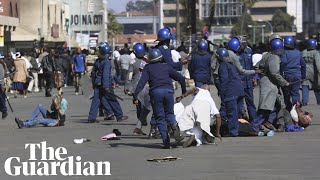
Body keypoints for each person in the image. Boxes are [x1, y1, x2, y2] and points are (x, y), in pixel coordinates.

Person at [133, 48, 186, 149]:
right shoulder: (166, 66)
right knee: (170, 114)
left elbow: (141, 83)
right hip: (169, 92)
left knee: (160, 118)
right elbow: (181, 78)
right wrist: (183, 90)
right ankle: (174, 126)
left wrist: (135, 95)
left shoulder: (148, 68)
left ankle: (166, 142)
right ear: (160, 57)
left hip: (156, 93)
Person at [251, 34, 290, 131]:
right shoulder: (275, 58)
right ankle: (254, 126)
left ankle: (267, 122)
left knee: (277, 105)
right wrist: (284, 82)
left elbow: (256, 66)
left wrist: (261, 74)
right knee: (266, 109)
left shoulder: (266, 55)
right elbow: (274, 73)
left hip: (268, 84)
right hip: (270, 85)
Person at [88, 42, 128, 123]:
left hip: (97, 83)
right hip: (105, 84)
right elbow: (105, 74)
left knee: (96, 101)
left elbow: (93, 73)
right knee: (112, 100)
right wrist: (106, 86)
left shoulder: (98, 61)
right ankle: (119, 116)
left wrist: (94, 83)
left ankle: (91, 118)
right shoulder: (106, 62)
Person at [129, 43, 156, 135]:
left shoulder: (143, 62)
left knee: (147, 107)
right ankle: (154, 129)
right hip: (149, 87)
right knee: (155, 107)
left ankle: (138, 126)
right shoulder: (147, 62)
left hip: (142, 86)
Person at [228, 36, 257, 121]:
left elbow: (251, 65)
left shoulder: (249, 51)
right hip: (238, 82)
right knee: (238, 104)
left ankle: (254, 122)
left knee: (251, 103)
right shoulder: (233, 54)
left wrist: (254, 77)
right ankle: (240, 121)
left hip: (248, 82)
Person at [217, 48, 244, 137]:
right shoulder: (231, 64)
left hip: (231, 91)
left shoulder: (223, 65)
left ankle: (233, 132)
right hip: (239, 91)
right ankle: (236, 129)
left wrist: (222, 93)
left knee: (232, 112)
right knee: (236, 112)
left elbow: (224, 80)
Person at [280, 36, 306, 110]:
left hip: (286, 76)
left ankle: (288, 111)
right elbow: (303, 65)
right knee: (295, 93)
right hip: (297, 76)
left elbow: (283, 63)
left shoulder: (283, 52)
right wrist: (303, 77)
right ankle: (297, 109)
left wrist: (281, 75)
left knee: (286, 95)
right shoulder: (298, 53)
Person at [301, 38, 320, 105]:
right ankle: (319, 101)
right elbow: (318, 64)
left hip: (305, 72)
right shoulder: (316, 53)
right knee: (317, 87)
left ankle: (304, 102)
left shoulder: (303, 52)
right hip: (314, 73)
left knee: (305, 86)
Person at [0, 53, 7, 119]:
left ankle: (4, 111)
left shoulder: (1, 65)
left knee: (2, 98)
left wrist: (2, 85)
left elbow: (1, 76)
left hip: (0, 84)